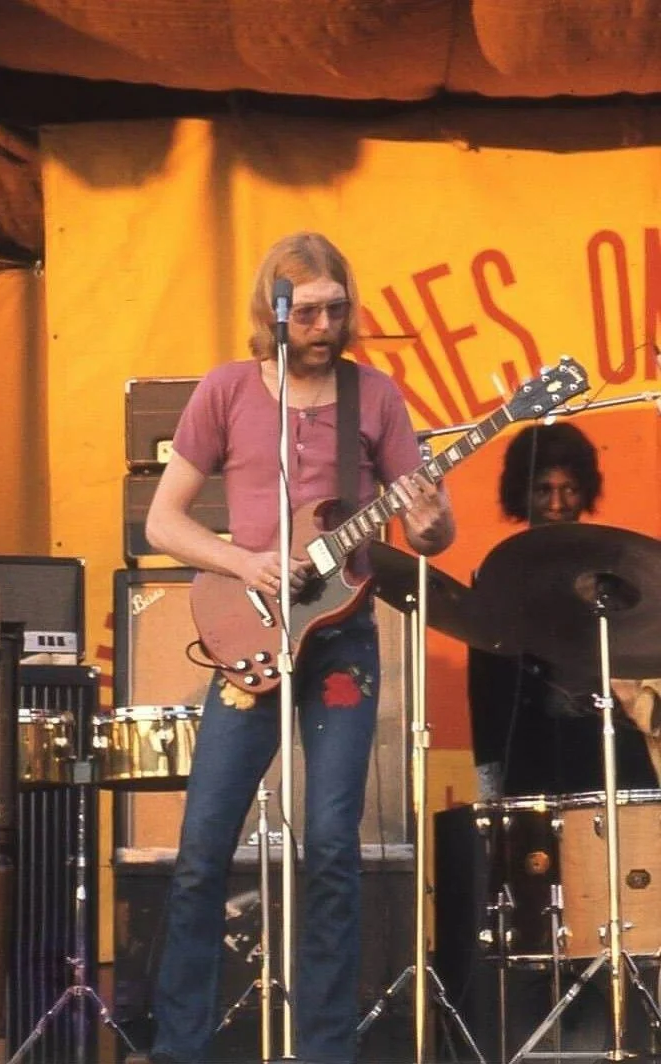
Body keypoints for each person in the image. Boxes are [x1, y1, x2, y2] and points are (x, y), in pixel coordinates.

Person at [140, 232, 455, 1064]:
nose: (325, 324)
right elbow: (162, 521)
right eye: (308, 310)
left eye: (337, 308)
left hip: (343, 638)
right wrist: (240, 560)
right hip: (247, 631)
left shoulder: (376, 396)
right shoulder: (226, 390)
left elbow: (431, 525)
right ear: (273, 312)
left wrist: (431, 524)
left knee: (333, 848)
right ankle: (178, 1049)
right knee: (204, 850)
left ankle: (325, 1051)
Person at [469, 422, 658, 800]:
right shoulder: (497, 575)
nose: (556, 504)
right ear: (521, 494)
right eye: (543, 490)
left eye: (568, 489)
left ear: (585, 491)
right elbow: (486, 695)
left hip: (604, 741)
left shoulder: (613, 568)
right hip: (528, 752)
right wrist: (490, 792)